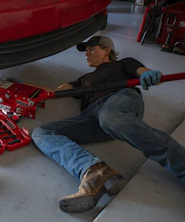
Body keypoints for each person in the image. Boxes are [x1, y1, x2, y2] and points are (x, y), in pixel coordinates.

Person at [32, 36, 185, 213]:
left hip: (120, 99)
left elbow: (145, 73)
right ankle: (94, 172)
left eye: (92, 49)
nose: (87, 54)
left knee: (110, 117)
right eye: (86, 51)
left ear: (107, 50)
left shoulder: (124, 64)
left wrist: (151, 76)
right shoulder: (84, 79)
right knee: (42, 132)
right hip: (93, 116)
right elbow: (54, 92)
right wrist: (24, 86)